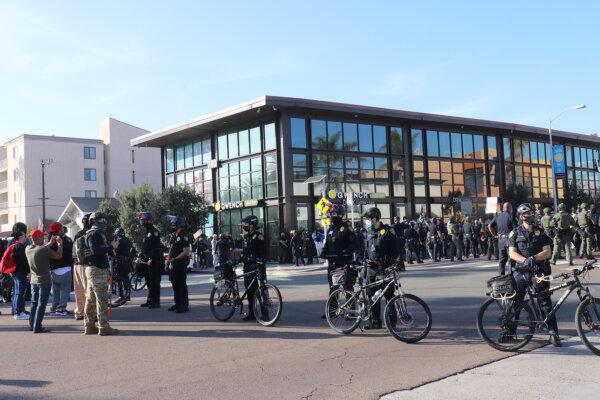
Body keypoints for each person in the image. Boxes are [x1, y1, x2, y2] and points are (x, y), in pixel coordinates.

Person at [508, 203, 560, 347]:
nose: (531, 215)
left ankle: (553, 333)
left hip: (539, 270)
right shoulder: (515, 233)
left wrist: (534, 259)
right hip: (521, 271)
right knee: (516, 301)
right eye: (527, 213)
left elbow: (548, 251)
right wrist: (526, 261)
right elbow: (512, 253)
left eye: (532, 212)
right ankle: (508, 332)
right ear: (521, 216)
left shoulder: (540, 231)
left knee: (544, 301)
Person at [362, 207, 398, 330]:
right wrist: (364, 269)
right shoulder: (368, 232)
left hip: (385, 269)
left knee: (389, 296)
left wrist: (392, 265)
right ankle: (375, 322)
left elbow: (395, 251)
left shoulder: (388, 231)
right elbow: (366, 252)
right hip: (371, 270)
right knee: (372, 297)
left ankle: (392, 323)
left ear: (375, 218)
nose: (367, 221)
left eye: (368, 218)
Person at [83, 212, 119, 335]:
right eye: (101, 220)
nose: (104, 223)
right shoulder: (94, 234)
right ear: (94, 221)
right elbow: (96, 250)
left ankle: (89, 326)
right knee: (101, 299)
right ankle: (103, 327)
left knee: (91, 300)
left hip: (94, 269)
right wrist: (111, 247)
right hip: (97, 270)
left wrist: (110, 249)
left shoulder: (95, 234)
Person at [25, 229, 63, 333]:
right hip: (44, 280)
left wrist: (50, 243)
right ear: (37, 238)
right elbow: (58, 256)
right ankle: (37, 327)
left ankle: (32, 325)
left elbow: (40, 250)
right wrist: (60, 244)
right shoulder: (42, 250)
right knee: (41, 304)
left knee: (34, 303)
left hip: (34, 280)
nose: (44, 238)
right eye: (42, 237)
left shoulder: (28, 248)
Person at [240, 215, 266, 321]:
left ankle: (265, 314)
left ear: (252, 225)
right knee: (249, 292)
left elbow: (264, 252)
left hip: (257, 267)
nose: (244, 226)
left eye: (246, 224)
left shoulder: (259, 236)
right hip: (247, 268)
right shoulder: (246, 237)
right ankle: (251, 314)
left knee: (260, 291)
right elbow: (244, 252)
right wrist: (240, 259)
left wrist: (260, 259)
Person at [48, 222, 74, 316]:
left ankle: (54, 308)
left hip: (53, 270)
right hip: (65, 269)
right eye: (62, 228)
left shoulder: (50, 241)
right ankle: (61, 309)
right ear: (59, 230)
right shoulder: (66, 240)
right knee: (64, 290)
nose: (63, 229)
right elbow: (72, 252)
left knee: (56, 292)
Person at [166, 215, 190, 313]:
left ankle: (184, 306)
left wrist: (175, 259)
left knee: (181, 285)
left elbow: (186, 251)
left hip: (180, 264)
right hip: (173, 264)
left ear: (178, 225)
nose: (172, 226)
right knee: (175, 284)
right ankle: (178, 304)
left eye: (174, 224)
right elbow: (171, 250)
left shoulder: (183, 236)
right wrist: (168, 261)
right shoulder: (174, 237)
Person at [138, 212, 163, 309]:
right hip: (147, 261)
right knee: (149, 281)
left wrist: (151, 258)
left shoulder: (154, 231)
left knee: (155, 282)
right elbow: (146, 246)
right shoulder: (147, 232)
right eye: (141, 220)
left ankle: (156, 302)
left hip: (154, 261)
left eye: (143, 220)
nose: (142, 222)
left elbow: (156, 247)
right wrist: (141, 254)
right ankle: (150, 301)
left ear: (148, 220)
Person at [489, 203, 516, 275]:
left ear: (504, 208)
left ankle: (501, 276)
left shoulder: (497, 216)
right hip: (509, 240)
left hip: (501, 240)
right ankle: (511, 276)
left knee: (502, 259)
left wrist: (495, 235)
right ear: (510, 208)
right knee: (511, 258)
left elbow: (490, 226)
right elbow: (516, 229)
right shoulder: (511, 216)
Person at [73, 213, 91, 320]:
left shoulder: (78, 233)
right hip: (85, 264)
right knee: (87, 290)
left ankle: (80, 312)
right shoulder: (91, 234)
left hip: (76, 264)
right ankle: (90, 313)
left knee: (78, 290)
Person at [11, 231, 29, 320]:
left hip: (15, 272)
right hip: (20, 272)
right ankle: (18, 313)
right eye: (24, 236)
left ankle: (15, 311)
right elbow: (24, 262)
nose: (25, 238)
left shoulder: (14, 245)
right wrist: (28, 272)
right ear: (20, 237)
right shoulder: (21, 247)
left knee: (16, 292)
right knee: (19, 292)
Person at [112, 227, 133, 303]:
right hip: (127, 261)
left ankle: (121, 296)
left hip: (120, 262)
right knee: (126, 278)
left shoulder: (118, 240)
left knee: (119, 279)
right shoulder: (127, 240)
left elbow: (114, 250)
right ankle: (127, 295)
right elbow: (132, 249)